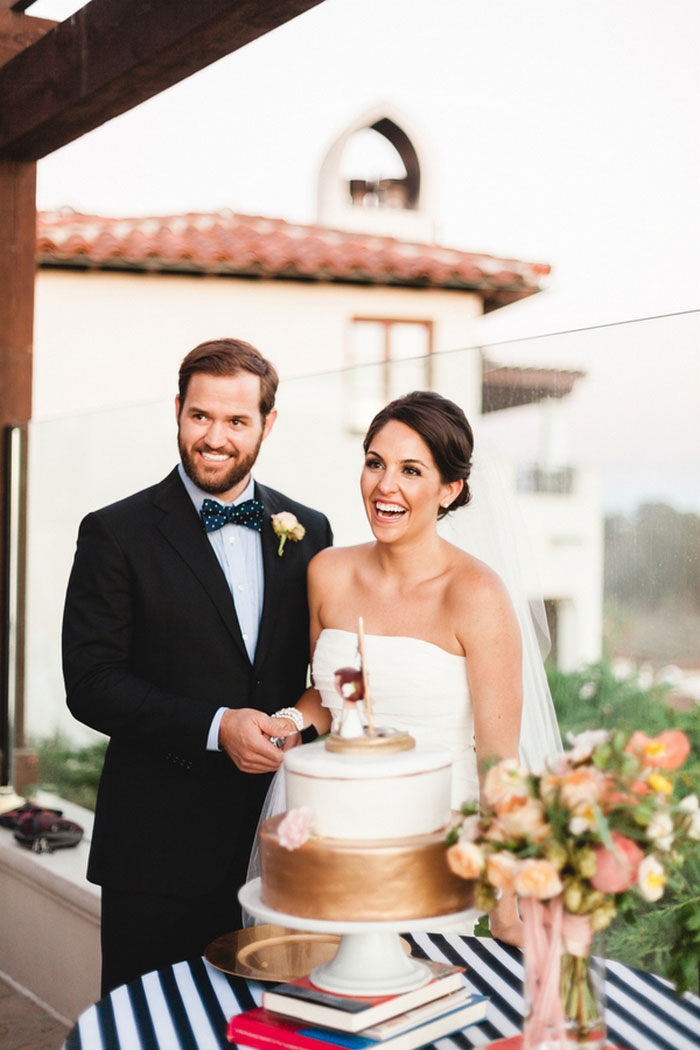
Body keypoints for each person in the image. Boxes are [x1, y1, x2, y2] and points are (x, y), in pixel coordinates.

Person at [62, 337, 332, 994]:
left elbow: (324, 675)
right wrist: (215, 727)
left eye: (237, 421)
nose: (215, 437)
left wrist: (298, 724)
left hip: (280, 852)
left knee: (272, 1027)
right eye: (201, 416)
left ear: (267, 424)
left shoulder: (311, 532)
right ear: (178, 410)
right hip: (155, 855)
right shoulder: (114, 532)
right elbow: (91, 685)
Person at [266, 390, 561, 943]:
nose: (385, 486)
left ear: (449, 489)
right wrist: (287, 723)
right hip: (332, 832)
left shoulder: (478, 595)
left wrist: (504, 908)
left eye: (410, 470)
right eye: (375, 463)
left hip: (434, 849)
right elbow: (333, 700)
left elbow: (499, 760)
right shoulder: (327, 572)